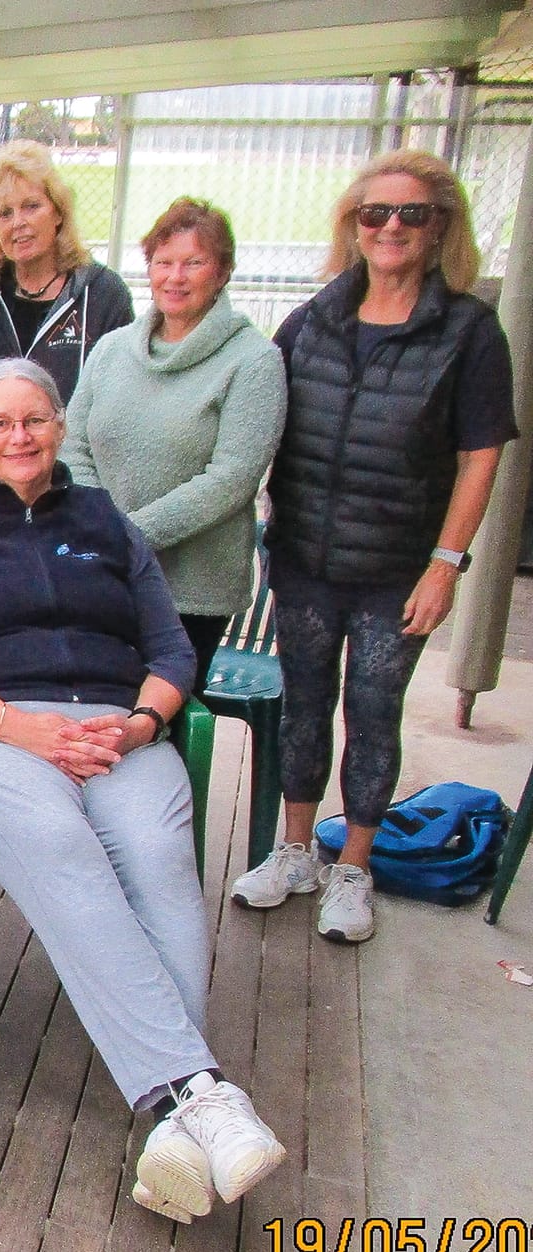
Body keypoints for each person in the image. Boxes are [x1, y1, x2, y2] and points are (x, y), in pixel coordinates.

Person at [0, 358, 287, 1226]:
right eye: (0, 424)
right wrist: (15, 727)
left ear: (62, 428)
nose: (19, 437)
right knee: (66, 852)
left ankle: (179, 1126)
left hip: (114, 729)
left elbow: (174, 652)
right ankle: (199, 1090)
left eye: (35, 420)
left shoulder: (107, 522)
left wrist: (140, 725)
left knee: (159, 855)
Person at [231, 150, 517, 941]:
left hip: (399, 571)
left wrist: (447, 563)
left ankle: (354, 866)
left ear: (439, 230)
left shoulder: (467, 330)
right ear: (352, 227)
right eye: (374, 214)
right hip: (306, 558)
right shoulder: (311, 321)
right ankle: (295, 852)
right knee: (303, 706)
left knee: (374, 711)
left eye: (411, 215)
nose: (390, 228)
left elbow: (481, 453)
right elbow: (258, 420)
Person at [64, 198, 286, 689]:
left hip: (190, 592)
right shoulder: (112, 350)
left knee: (160, 721)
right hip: (102, 575)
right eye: (163, 262)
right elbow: (73, 444)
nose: (175, 277)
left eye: (194, 262)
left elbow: (232, 478)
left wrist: (126, 536)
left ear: (223, 271)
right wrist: (102, 527)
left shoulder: (253, 362)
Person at [0, 140, 134, 402]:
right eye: (4, 213)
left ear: (58, 212)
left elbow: (119, 396)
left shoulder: (104, 294)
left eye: (31, 206)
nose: (19, 223)